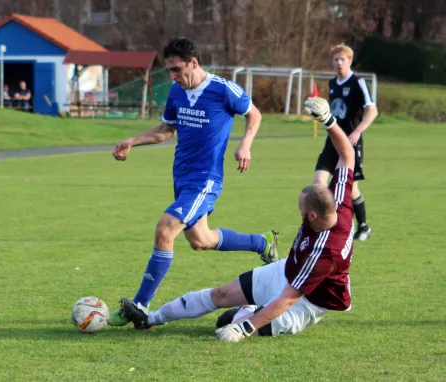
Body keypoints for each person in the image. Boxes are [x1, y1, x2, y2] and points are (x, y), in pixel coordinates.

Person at [119, 96, 357, 341]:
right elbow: (347, 154)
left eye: (300, 209)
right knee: (221, 294)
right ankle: (149, 318)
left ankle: (247, 312)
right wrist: (328, 121)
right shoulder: (338, 203)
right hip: (286, 270)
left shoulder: (323, 253)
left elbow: (288, 298)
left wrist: (244, 328)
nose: (298, 212)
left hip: (308, 300)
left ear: (313, 215)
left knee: (234, 327)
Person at [107, 37, 279, 327]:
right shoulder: (177, 92)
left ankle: (139, 306)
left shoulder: (223, 90)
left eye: (176, 70)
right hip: (182, 179)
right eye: (170, 71)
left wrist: (245, 144)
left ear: (193, 63)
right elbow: (166, 129)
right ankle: (262, 243)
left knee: (165, 229)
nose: (172, 77)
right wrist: (132, 141)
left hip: (205, 180)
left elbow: (254, 114)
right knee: (202, 240)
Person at [314, 43, 378, 241]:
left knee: (351, 190)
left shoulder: (358, 83)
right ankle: (326, 226)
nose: (339, 63)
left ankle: (364, 225)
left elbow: (372, 110)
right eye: (335, 59)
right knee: (318, 184)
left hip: (351, 144)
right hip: (331, 141)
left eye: (342, 59)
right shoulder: (333, 84)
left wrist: (358, 131)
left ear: (350, 61)